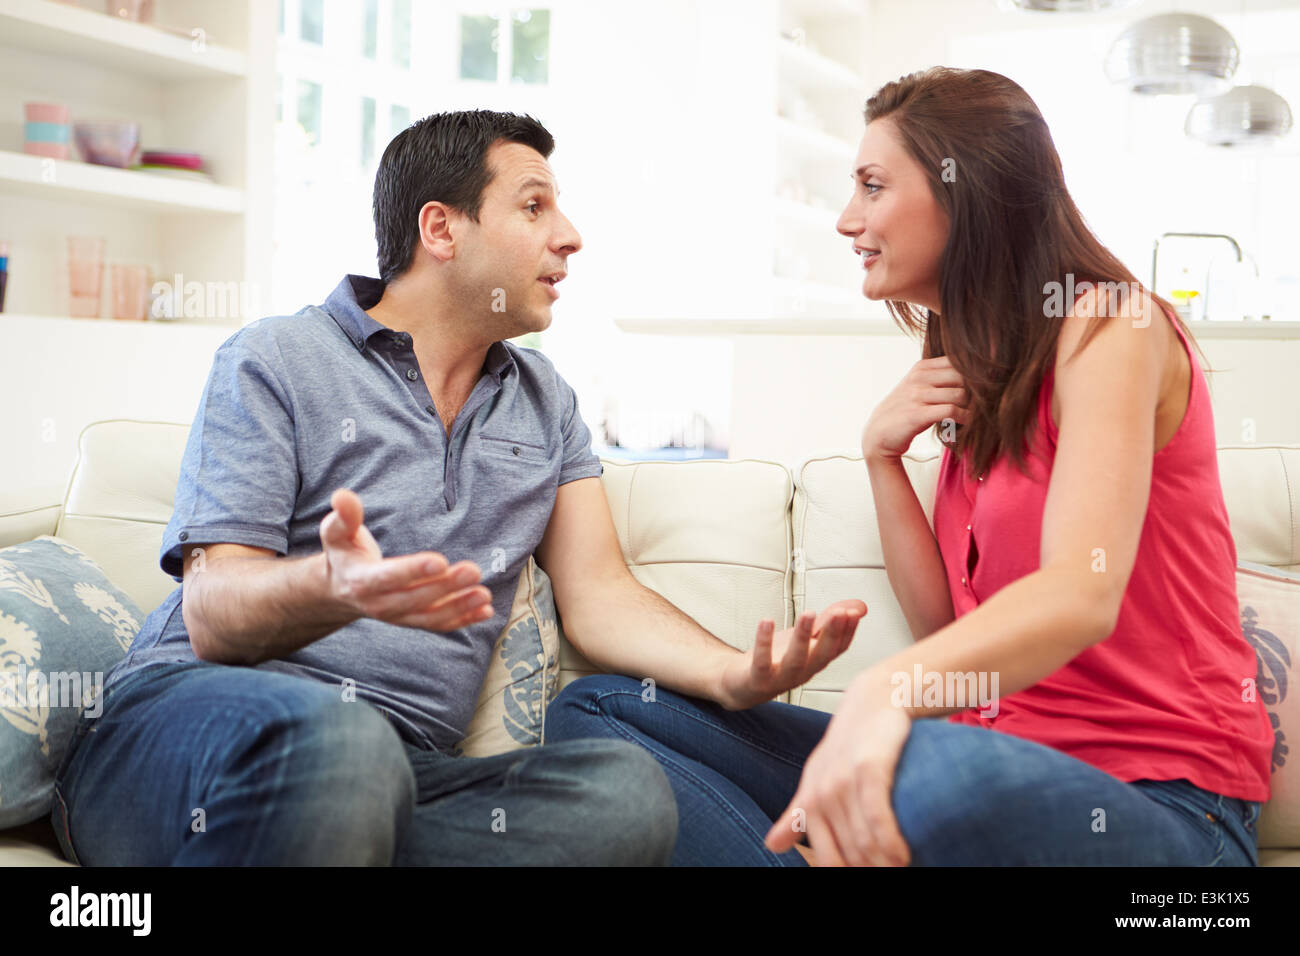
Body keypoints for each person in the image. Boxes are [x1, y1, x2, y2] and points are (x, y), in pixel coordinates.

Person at [50, 109, 862, 866]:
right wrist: (332, 586)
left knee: (624, 797)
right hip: (190, 728)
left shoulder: (544, 404)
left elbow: (601, 594)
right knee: (345, 752)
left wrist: (735, 675)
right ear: (440, 227)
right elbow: (214, 611)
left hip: (401, 773)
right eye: (534, 206)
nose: (570, 237)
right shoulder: (277, 359)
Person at [546, 67, 1272, 866]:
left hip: (1161, 801)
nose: (846, 220)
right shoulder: (978, 376)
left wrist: (885, 691)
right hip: (984, 768)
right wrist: (881, 457)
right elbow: (949, 632)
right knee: (604, 709)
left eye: (871, 186)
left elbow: (1082, 594)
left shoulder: (1110, 325)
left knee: (924, 765)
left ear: (971, 191)